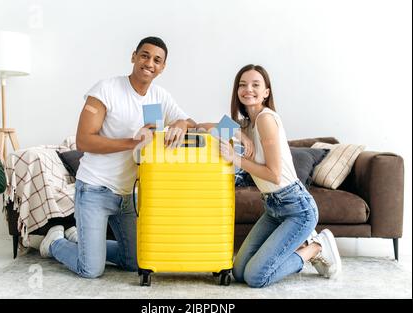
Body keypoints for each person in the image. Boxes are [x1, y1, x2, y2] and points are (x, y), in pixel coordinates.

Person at [38, 36, 196, 278]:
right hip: (94, 190)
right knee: (90, 269)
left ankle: (81, 241)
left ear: (162, 68)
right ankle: (56, 242)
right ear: (134, 56)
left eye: (157, 60)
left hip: (127, 196)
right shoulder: (106, 89)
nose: (149, 63)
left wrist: (182, 124)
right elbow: (84, 140)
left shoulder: (159, 97)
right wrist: (134, 142)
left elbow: (189, 121)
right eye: (144, 55)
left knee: (135, 262)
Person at [217, 64, 342, 288]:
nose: (248, 89)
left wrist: (236, 158)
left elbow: (274, 175)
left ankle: (315, 247)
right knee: (238, 271)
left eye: (256, 85)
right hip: (274, 208)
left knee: (256, 278)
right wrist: (238, 133)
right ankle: (303, 245)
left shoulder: (266, 119)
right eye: (243, 85)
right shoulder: (249, 124)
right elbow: (209, 126)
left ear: (266, 92)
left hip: (297, 209)